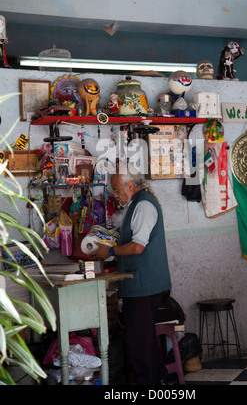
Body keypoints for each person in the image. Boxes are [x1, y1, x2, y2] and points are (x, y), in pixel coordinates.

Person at [89, 163, 172, 385]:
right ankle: (160, 380)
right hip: (139, 284)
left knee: (140, 343)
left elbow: (137, 247)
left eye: (117, 190)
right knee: (143, 340)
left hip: (144, 285)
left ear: (131, 186)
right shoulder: (134, 204)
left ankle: (151, 384)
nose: (115, 195)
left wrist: (111, 251)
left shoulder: (143, 206)